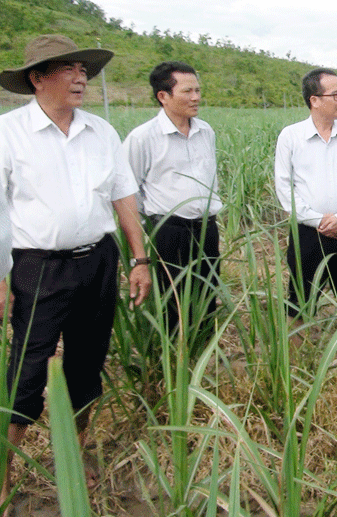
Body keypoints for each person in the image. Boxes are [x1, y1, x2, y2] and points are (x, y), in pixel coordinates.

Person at [0, 34, 151, 512]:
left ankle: (76, 452)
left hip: (98, 261)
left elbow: (123, 196)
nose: (80, 76)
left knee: (88, 361)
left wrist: (139, 259)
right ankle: (3, 472)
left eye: (83, 68)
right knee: (26, 368)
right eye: (66, 68)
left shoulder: (100, 132)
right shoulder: (8, 133)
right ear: (37, 78)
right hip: (36, 266)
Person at [124, 61, 222, 342]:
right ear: (163, 96)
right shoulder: (143, 138)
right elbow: (128, 191)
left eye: (198, 90)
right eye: (188, 91)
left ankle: (202, 356)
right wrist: (150, 230)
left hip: (205, 229)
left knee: (207, 294)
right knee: (172, 300)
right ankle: (172, 361)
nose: (196, 98)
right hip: (168, 231)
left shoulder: (206, 131)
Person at [274, 68, 337, 352]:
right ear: (315, 100)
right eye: (335, 95)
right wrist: (317, 220)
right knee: (301, 299)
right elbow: (284, 186)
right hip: (307, 232)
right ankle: (294, 363)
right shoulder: (291, 137)